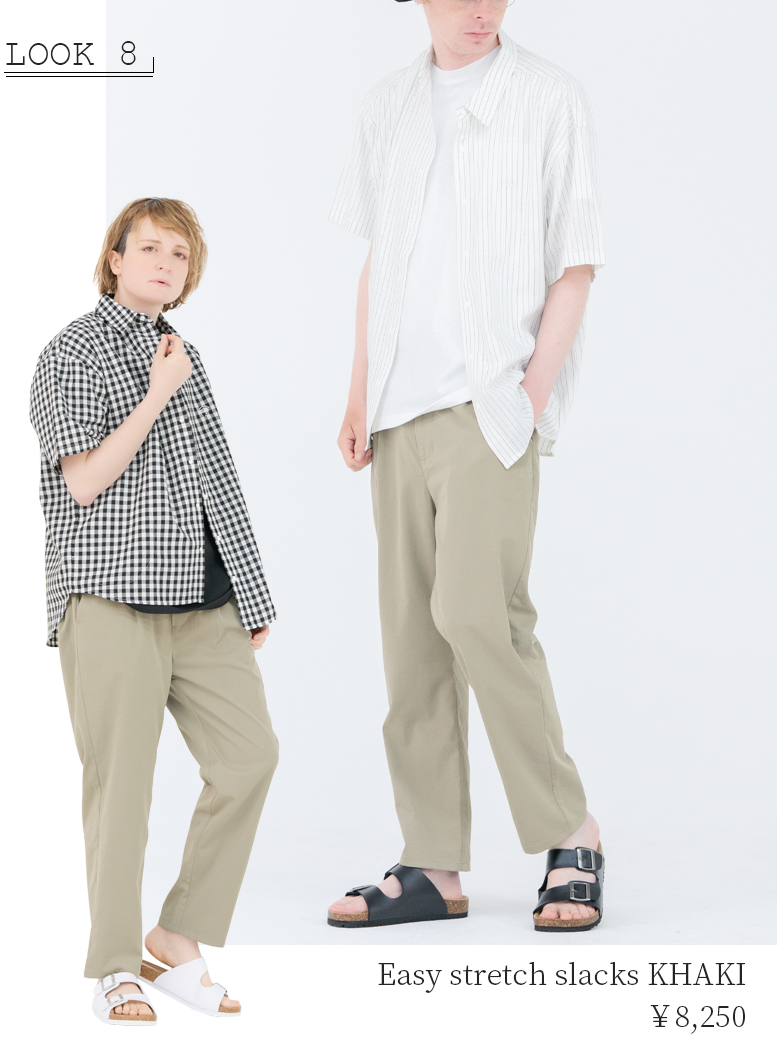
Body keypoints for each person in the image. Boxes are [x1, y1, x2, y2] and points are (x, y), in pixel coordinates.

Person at [327, 0, 607, 932]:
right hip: (397, 407)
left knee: (479, 616)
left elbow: (575, 263)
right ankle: (431, 863)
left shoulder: (548, 96)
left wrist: (527, 396)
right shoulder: (387, 104)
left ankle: (570, 830)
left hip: (488, 405)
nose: (481, 8)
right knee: (411, 638)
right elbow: (382, 260)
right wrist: (359, 390)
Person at [29, 198, 279, 1024]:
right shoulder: (72, 351)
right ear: (115, 259)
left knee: (249, 759)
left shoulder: (183, 354)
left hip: (204, 601)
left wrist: (249, 589)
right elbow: (83, 481)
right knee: (121, 787)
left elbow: (218, 478)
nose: (166, 264)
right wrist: (155, 392)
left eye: (179, 253)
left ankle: (174, 934)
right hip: (110, 598)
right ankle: (113, 966)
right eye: (149, 248)